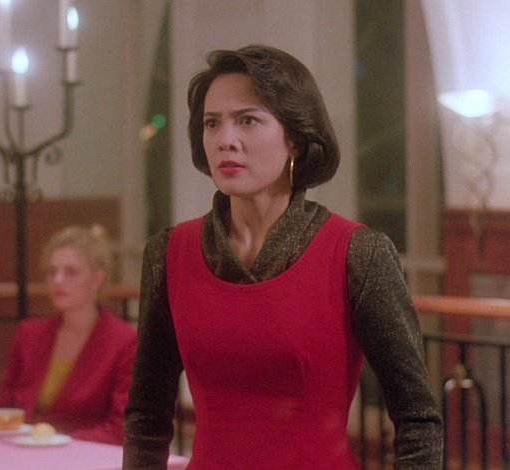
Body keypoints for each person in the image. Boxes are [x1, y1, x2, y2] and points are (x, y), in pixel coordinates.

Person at [122, 45, 443, 469]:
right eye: (212, 123)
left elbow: (419, 421)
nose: (225, 140)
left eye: (247, 120)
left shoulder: (358, 254)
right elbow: (147, 415)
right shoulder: (170, 253)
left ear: (295, 138)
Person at [0, 225, 137, 445]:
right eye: (52, 272)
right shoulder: (29, 334)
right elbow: (5, 410)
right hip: (23, 452)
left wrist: (54, 442)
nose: (58, 280)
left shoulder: (124, 341)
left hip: (88, 456)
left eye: (71, 272)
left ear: (97, 279)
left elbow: (120, 429)